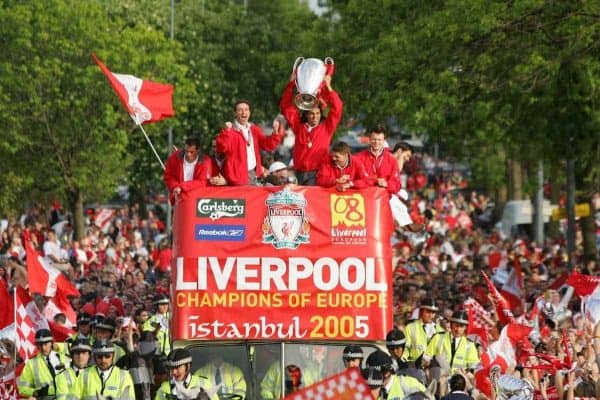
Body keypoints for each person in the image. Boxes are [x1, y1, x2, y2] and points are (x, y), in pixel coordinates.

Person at [280, 73, 343, 185]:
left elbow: (337, 108)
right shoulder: (298, 127)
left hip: (316, 173)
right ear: (306, 115)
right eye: (312, 114)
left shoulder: (327, 127)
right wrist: (290, 85)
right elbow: (286, 107)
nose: (315, 117)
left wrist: (328, 87)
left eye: (318, 113)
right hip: (298, 173)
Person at [215, 100, 284, 186]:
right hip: (236, 178)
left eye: (246, 109)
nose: (244, 112)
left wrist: (275, 134)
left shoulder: (254, 129)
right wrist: (226, 132)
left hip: (253, 175)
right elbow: (221, 148)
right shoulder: (230, 131)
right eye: (240, 110)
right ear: (235, 113)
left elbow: (267, 145)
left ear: (249, 112)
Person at [163, 136, 225, 204]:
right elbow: (169, 176)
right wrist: (174, 186)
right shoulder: (174, 158)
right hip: (179, 198)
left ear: (198, 151)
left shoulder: (205, 161)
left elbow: (202, 182)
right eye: (186, 151)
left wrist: (181, 187)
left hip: (197, 200)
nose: (188, 154)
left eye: (191, 152)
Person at [423, 310, 480, 375]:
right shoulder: (438, 337)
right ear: (451, 324)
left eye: (461, 326)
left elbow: (474, 366)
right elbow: (427, 356)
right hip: (439, 377)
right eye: (456, 325)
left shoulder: (470, 344)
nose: (458, 329)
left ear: (465, 328)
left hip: (458, 380)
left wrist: (468, 371)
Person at [18, 329, 69, 398]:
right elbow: (22, 389)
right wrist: (36, 392)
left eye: (45, 344)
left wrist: (58, 346)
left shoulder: (63, 356)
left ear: (51, 343)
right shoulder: (31, 363)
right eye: (39, 345)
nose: (43, 348)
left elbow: (79, 346)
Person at [355, 125, 400, 196]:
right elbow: (354, 181)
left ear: (384, 141)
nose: (376, 142)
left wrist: (386, 184)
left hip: (383, 201)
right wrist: (374, 181)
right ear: (369, 139)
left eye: (379, 140)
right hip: (364, 200)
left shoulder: (392, 160)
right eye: (374, 139)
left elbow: (397, 185)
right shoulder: (358, 158)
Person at [390, 141, 424, 232]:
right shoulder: (388, 158)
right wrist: (400, 157)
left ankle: (406, 223)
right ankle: (406, 224)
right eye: (407, 155)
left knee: (404, 196)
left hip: (390, 188)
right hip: (381, 189)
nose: (408, 159)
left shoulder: (393, 161)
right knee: (394, 201)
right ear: (400, 151)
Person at [404, 297, 445, 368]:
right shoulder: (410, 328)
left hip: (433, 368)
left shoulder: (441, 331)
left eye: (433, 312)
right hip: (414, 367)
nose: (431, 315)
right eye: (428, 312)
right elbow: (405, 350)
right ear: (421, 312)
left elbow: (442, 354)